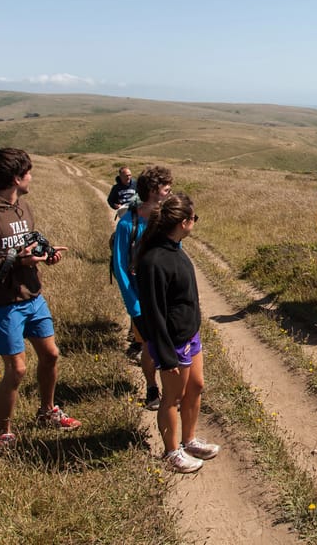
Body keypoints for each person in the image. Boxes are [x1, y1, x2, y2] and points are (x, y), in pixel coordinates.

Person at [0, 148, 81, 450]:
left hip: (32, 297)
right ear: (16, 178)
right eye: (28, 172)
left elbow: (25, 245)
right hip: (2, 304)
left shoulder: (22, 208)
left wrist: (43, 256)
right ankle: (5, 434)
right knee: (17, 369)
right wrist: (10, 263)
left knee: (51, 355)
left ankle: (47, 411)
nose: (31, 177)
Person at [135, 192, 219, 473]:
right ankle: (172, 452)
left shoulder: (176, 249)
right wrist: (167, 356)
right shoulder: (154, 260)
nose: (195, 222)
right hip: (171, 341)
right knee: (172, 397)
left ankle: (189, 439)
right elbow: (153, 312)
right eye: (194, 218)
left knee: (196, 386)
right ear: (183, 222)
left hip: (188, 335)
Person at [112, 166, 173, 411]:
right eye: (166, 189)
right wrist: (134, 305)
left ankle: (171, 390)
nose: (169, 193)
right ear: (152, 191)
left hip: (167, 297)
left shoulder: (167, 220)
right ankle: (151, 388)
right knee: (148, 345)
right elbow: (119, 267)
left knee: (169, 343)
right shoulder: (128, 223)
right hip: (142, 298)